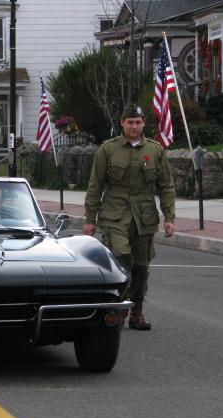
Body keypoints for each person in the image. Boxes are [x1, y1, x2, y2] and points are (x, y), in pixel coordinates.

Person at [83, 104, 176, 331]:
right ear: (122, 123)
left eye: (138, 122)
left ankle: (136, 310)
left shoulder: (155, 150)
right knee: (121, 256)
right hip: (115, 214)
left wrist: (169, 216)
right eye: (130, 122)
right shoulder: (108, 149)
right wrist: (90, 219)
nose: (134, 126)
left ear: (144, 123)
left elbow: (166, 186)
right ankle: (118, 307)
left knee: (141, 266)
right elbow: (96, 185)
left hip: (144, 216)